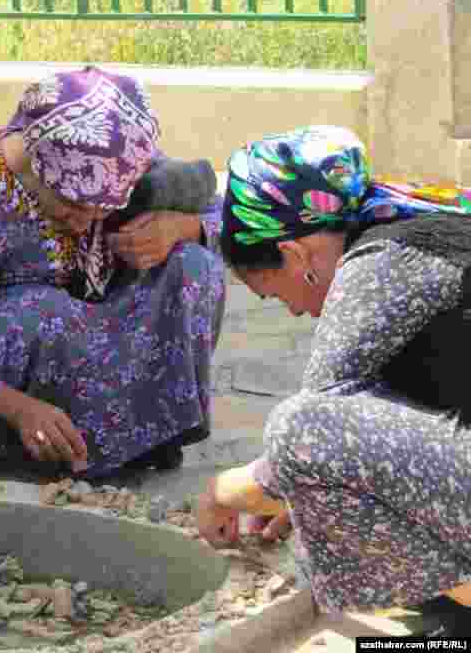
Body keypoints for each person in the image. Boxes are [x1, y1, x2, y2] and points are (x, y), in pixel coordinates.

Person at [196, 125, 471, 636]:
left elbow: (307, 448)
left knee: (298, 428)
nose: (297, 311)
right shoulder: (428, 223)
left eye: (275, 294)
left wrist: (223, 491)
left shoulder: (381, 264)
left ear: (296, 256)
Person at [0, 67, 225, 480]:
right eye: (72, 205)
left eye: (104, 208)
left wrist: (181, 228)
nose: (85, 221)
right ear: (39, 168)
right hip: (34, 346)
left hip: (109, 328)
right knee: (41, 313)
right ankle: (3, 425)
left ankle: (146, 428)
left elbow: (227, 218)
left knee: (195, 266)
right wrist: (15, 406)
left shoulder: (116, 153)